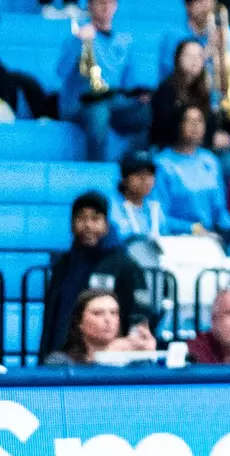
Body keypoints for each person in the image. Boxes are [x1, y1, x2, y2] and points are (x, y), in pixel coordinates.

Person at [40, 192, 144, 354]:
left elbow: (139, 313)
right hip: (65, 354)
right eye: (81, 219)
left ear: (106, 225)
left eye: (95, 219)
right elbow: (51, 316)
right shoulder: (63, 265)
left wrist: (127, 346)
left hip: (109, 357)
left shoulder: (123, 264)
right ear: (72, 225)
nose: (88, 225)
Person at [57, 0, 149, 161]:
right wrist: (79, 42)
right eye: (100, 1)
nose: (106, 6)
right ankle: (96, 168)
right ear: (90, 5)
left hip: (114, 101)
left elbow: (128, 85)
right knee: (99, 112)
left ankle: (131, 163)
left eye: (110, 1)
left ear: (116, 5)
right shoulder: (77, 35)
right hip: (81, 103)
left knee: (151, 112)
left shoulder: (125, 40)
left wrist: (139, 95)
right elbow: (61, 72)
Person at [154, 104, 230, 238]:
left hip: (211, 235)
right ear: (178, 124)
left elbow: (220, 210)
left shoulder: (210, 160)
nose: (195, 126)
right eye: (189, 121)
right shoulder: (162, 164)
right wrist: (192, 228)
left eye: (199, 121)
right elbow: (159, 217)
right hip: (178, 237)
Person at [44, 289, 155, 365]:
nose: (108, 319)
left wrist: (149, 356)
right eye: (98, 313)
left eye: (113, 313)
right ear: (79, 322)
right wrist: (107, 358)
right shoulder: (60, 361)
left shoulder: (132, 360)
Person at [108, 150, 166, 243]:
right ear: (124, 178)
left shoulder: (156, 209)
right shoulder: (111, 209)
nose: (145, 180)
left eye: (150, 174)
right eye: (138, 174)